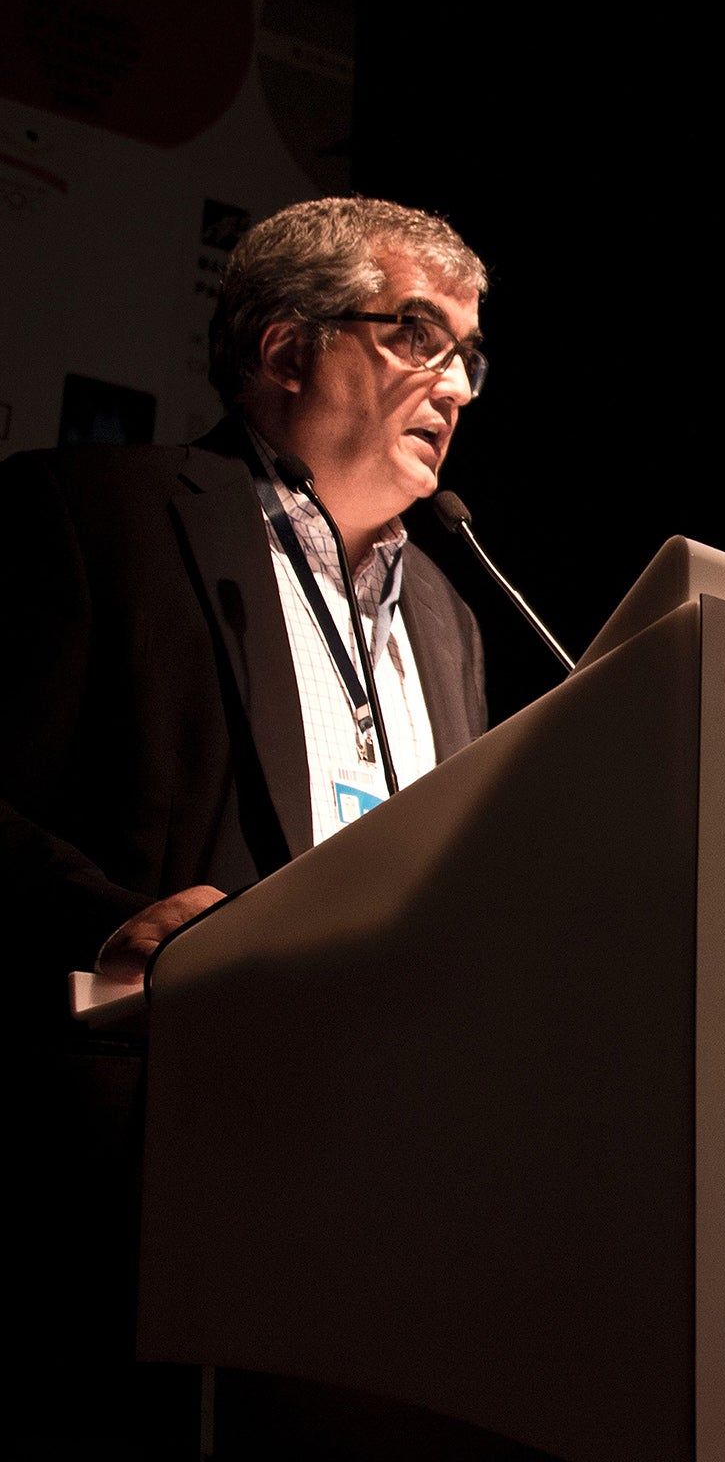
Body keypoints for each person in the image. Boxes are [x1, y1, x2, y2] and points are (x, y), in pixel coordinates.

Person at [0, 197, 492, 1032]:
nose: (454, 388)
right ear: (289, 350)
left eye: (468, 357)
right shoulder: (97, 519)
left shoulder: (453, 622)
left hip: (400, 1104)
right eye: (417, 338)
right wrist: (107, 926)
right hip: (168, 1095)